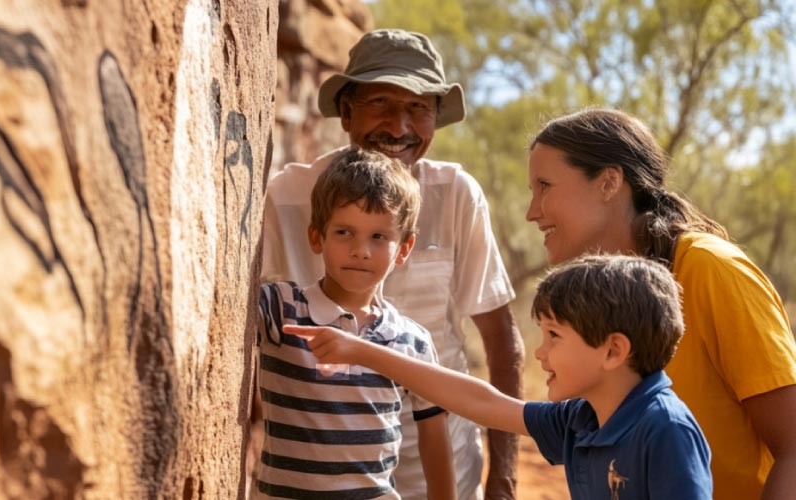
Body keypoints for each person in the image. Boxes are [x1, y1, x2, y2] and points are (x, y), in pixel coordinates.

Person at [261, 29, 524, 499]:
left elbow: (501, 339)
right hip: (318, 470)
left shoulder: (457, 195)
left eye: (419, 108)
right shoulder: (287, 198)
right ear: (346, 111)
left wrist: (503, 481)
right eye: (381, 102)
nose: (399, 126)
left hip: (441, 466)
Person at [525, 108, 796, 499]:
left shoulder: (710, 269)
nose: (532, 212)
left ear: (608, 182)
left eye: (545, 186)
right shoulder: (605, 297)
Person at [286, 255, 714, 500]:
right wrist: (361, 350)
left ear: (613, 351)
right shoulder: (584, 417)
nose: (541, 353)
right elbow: (485, 404)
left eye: (554, 337)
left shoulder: (665, 430)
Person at [256, 148, 456, 498]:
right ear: (316, 237)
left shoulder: (413, 343)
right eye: (344, 233)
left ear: (405, 248)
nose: (361, 250)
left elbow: (435, 443)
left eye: (378, 237)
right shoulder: (280, 309)